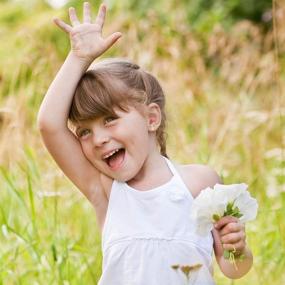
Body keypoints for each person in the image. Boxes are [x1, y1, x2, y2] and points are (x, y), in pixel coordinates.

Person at [37, 2, 253, 284]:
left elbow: (233, 268)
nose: (99, 139)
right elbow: (49, 124)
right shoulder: (105, 190)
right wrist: (79, 58)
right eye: (84, 132)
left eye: (109, 119)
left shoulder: (201, 182)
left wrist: (238, 247)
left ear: (151, 118)